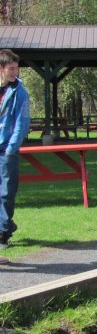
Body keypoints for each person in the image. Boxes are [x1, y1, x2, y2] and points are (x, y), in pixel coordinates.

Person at [0, 49, 30, 250]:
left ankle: (3, 234)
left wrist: (12, 147)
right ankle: (7, 224)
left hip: (7, 151)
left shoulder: (20, 91)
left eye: (16, 69)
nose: (15, 73)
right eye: (11, 69)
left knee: (6, 193)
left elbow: (22, 122)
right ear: (1, 69)